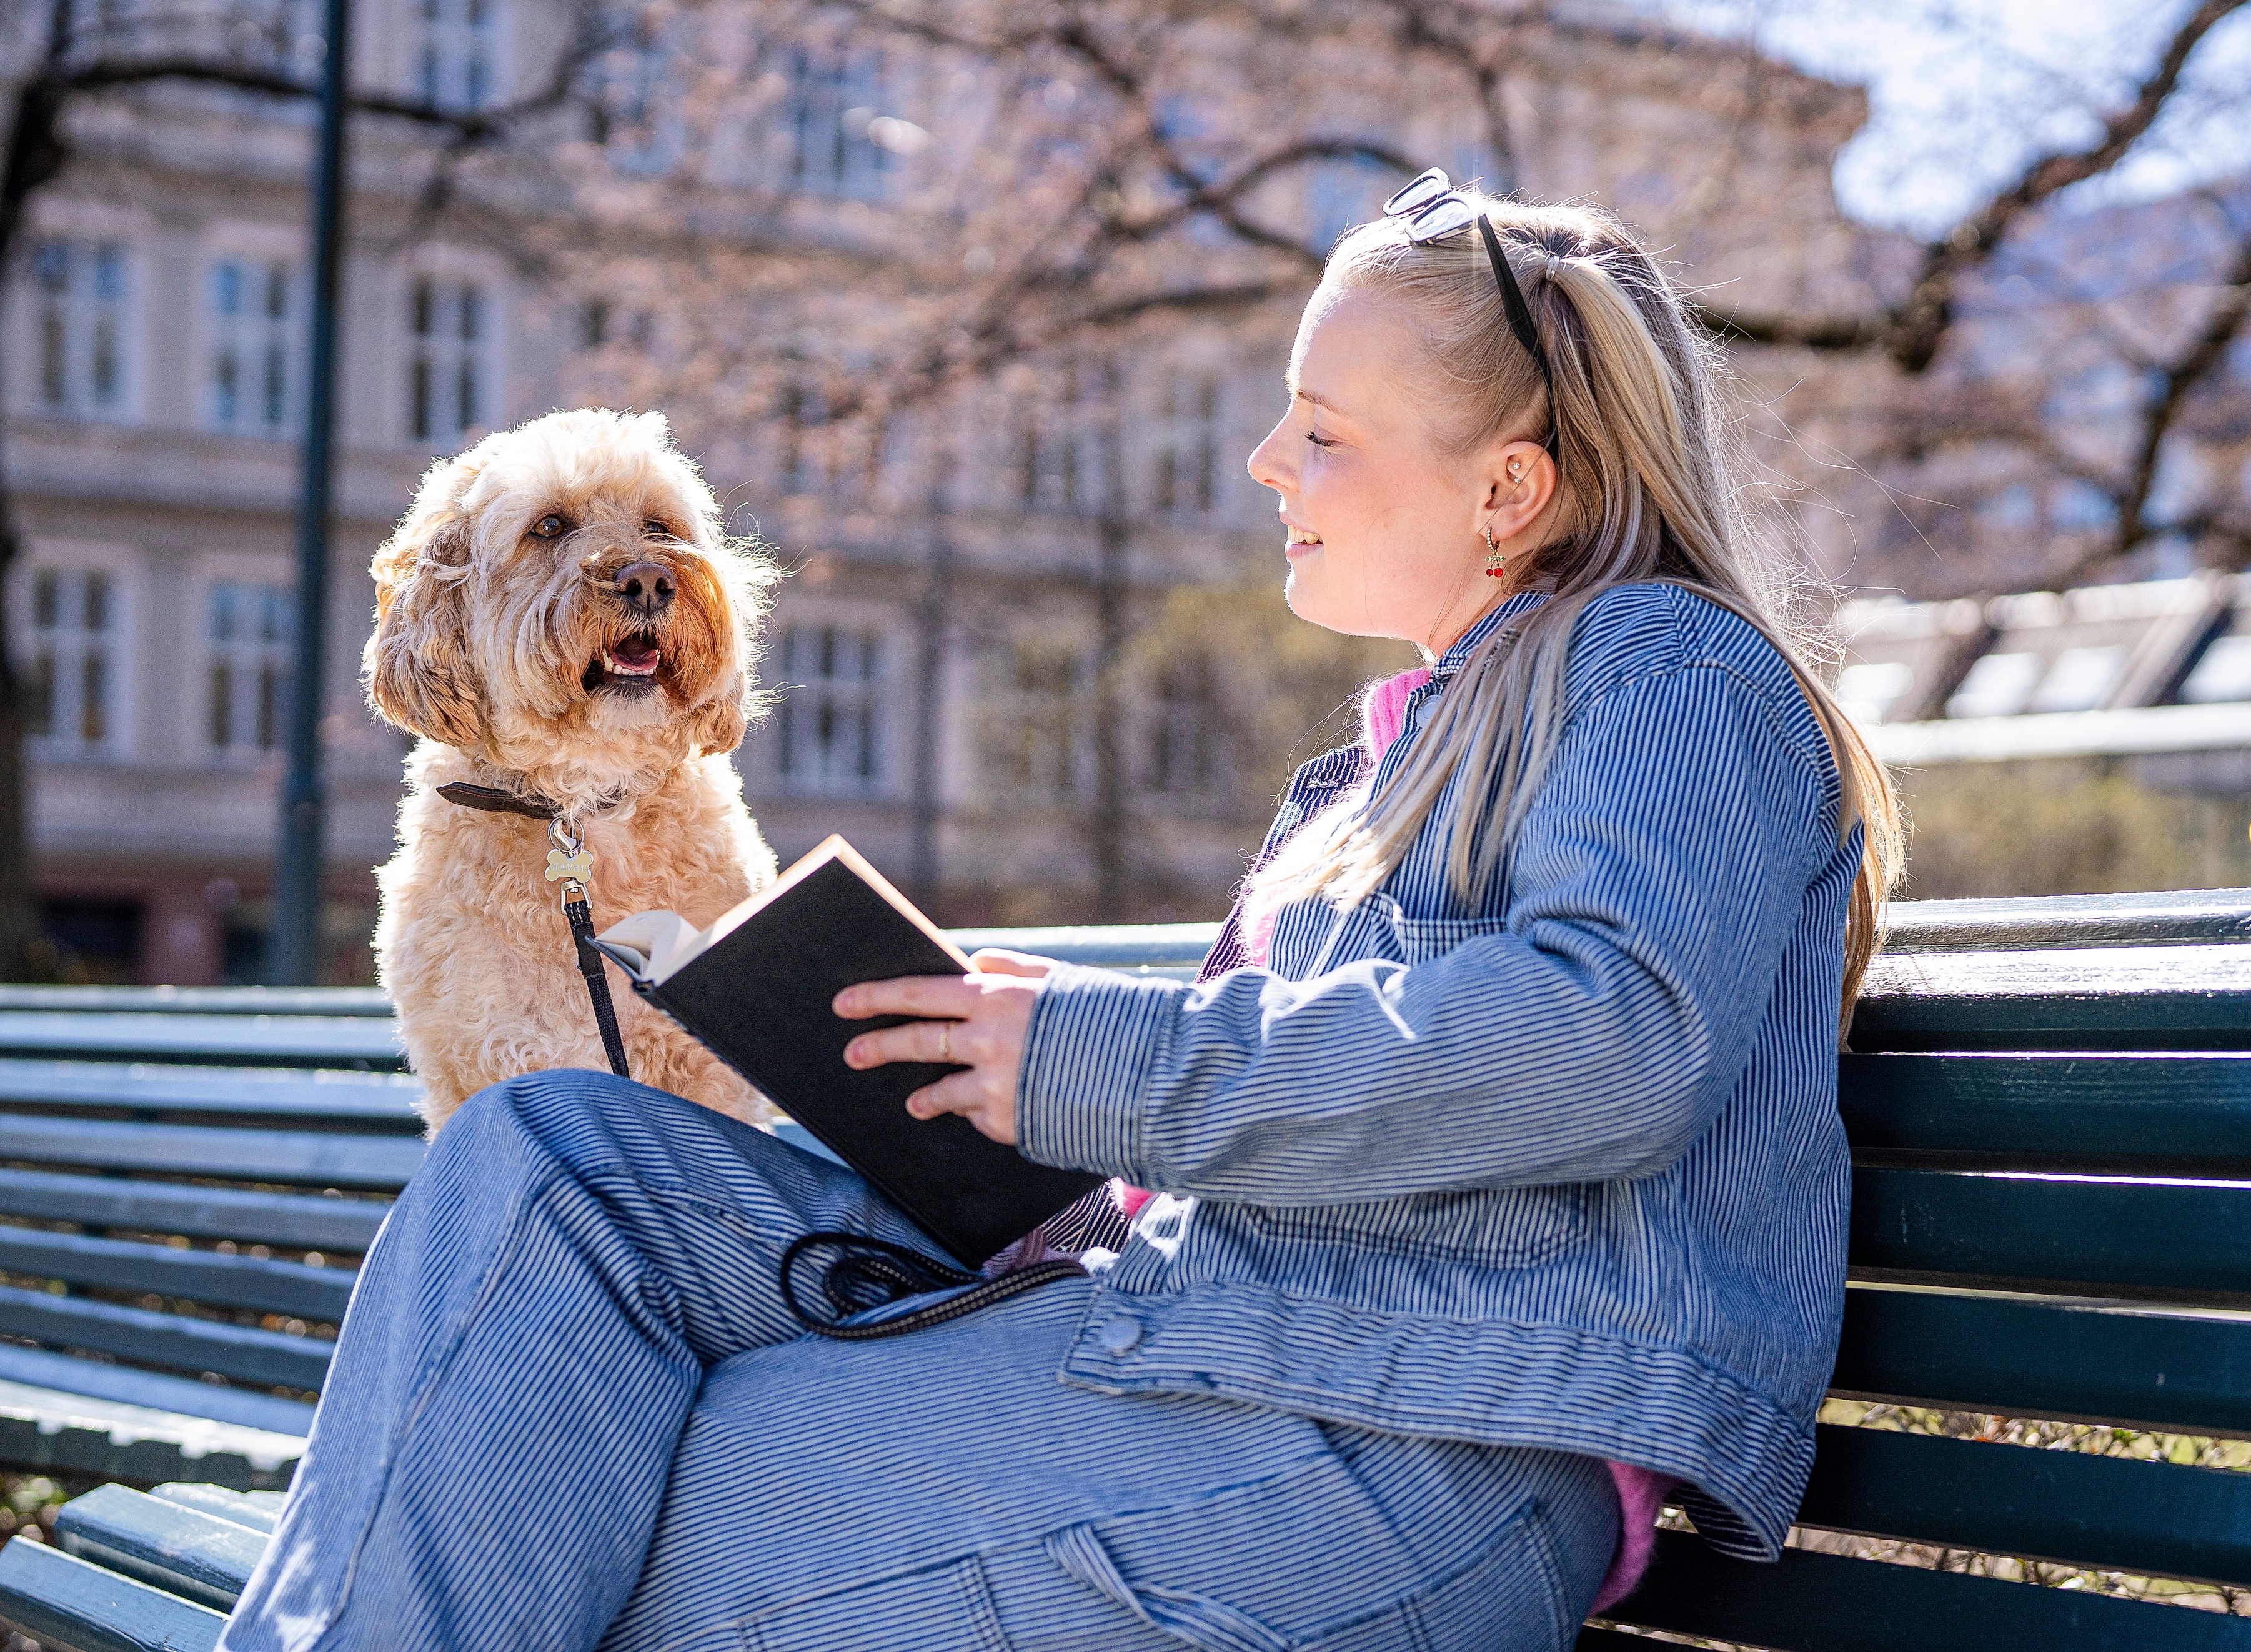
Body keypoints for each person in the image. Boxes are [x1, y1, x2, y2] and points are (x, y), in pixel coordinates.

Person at [222, 174, 1901, 1652]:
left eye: (1321, 429)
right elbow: (1307, 1119)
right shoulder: (1369, 780)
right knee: (543, 1168)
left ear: (1509, 490)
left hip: (1417, 1452)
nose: (1264, 461)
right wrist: (1010, 1088)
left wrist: (1103, 1056)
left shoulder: (1668, 670)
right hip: (1205, 1347)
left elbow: (1611, 1042)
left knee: (570, 1496)